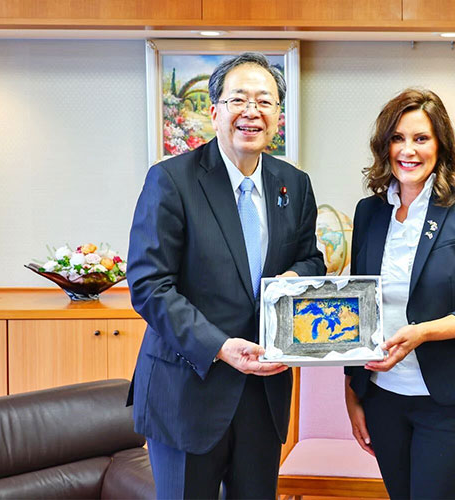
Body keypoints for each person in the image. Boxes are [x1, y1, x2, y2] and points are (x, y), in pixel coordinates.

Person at [127, 52, 325, 499]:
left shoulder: (294, 184)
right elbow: (149, 285)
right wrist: (218, 346)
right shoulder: (171, 180)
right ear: (215, 111)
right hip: (187, 390)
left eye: (264, 101)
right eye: (239, 99)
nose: (252, 111)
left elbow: (312, 260)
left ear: (277, 115)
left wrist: (293, 276)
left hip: (264, 392)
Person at [344, 88, 455, 499]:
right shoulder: (370, 213)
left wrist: (423, 333)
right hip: (384, 400)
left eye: (421, 138)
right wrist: (352, 391)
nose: (408, 150)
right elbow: (358, 306)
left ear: (441, 144)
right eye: (397, 138)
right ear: (384, 146)